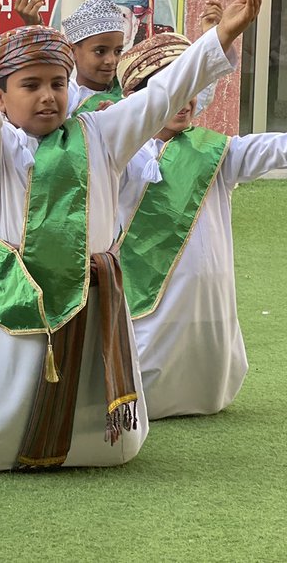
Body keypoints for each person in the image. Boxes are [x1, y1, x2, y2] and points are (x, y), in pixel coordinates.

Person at [0, 0, 261, 472]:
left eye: (57, 84)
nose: (47, 97)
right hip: (18, 301)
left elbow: (162, 95)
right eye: (31, 85)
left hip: (93, 303)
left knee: (115, 448)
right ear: (0, 97)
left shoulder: (99, 132)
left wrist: (220, 38)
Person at [115, 31, 287, 419]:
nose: (187, 100)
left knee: (206, 360)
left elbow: (271, 148)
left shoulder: (215, 150)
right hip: (147, 294)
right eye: (175, 89)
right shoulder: (119, 152)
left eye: (191, 89)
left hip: (208, 295)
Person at [62, 0, 126, 113]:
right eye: (100, 51)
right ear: (72, 51)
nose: (111, 60)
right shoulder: (62, 96)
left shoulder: (126, 97)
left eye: (117, 51)